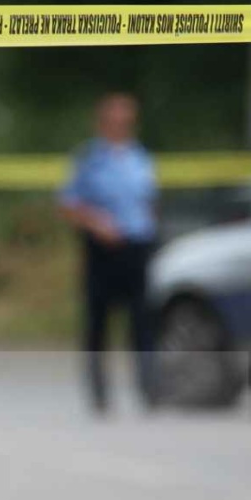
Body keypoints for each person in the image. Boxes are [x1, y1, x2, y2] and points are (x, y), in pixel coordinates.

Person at [59, 93, 159, 413]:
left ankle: (148, 386)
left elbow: (148, 199)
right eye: (115, 121)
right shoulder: (89, 159)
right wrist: (96, 223)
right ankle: (99, 390)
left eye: (126, 122)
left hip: (136, 245)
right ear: (102, 124)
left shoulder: (140, 157)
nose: (121, 126)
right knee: (98, 322)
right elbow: (69, 204)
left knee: (142, 319)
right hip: (102, 248)